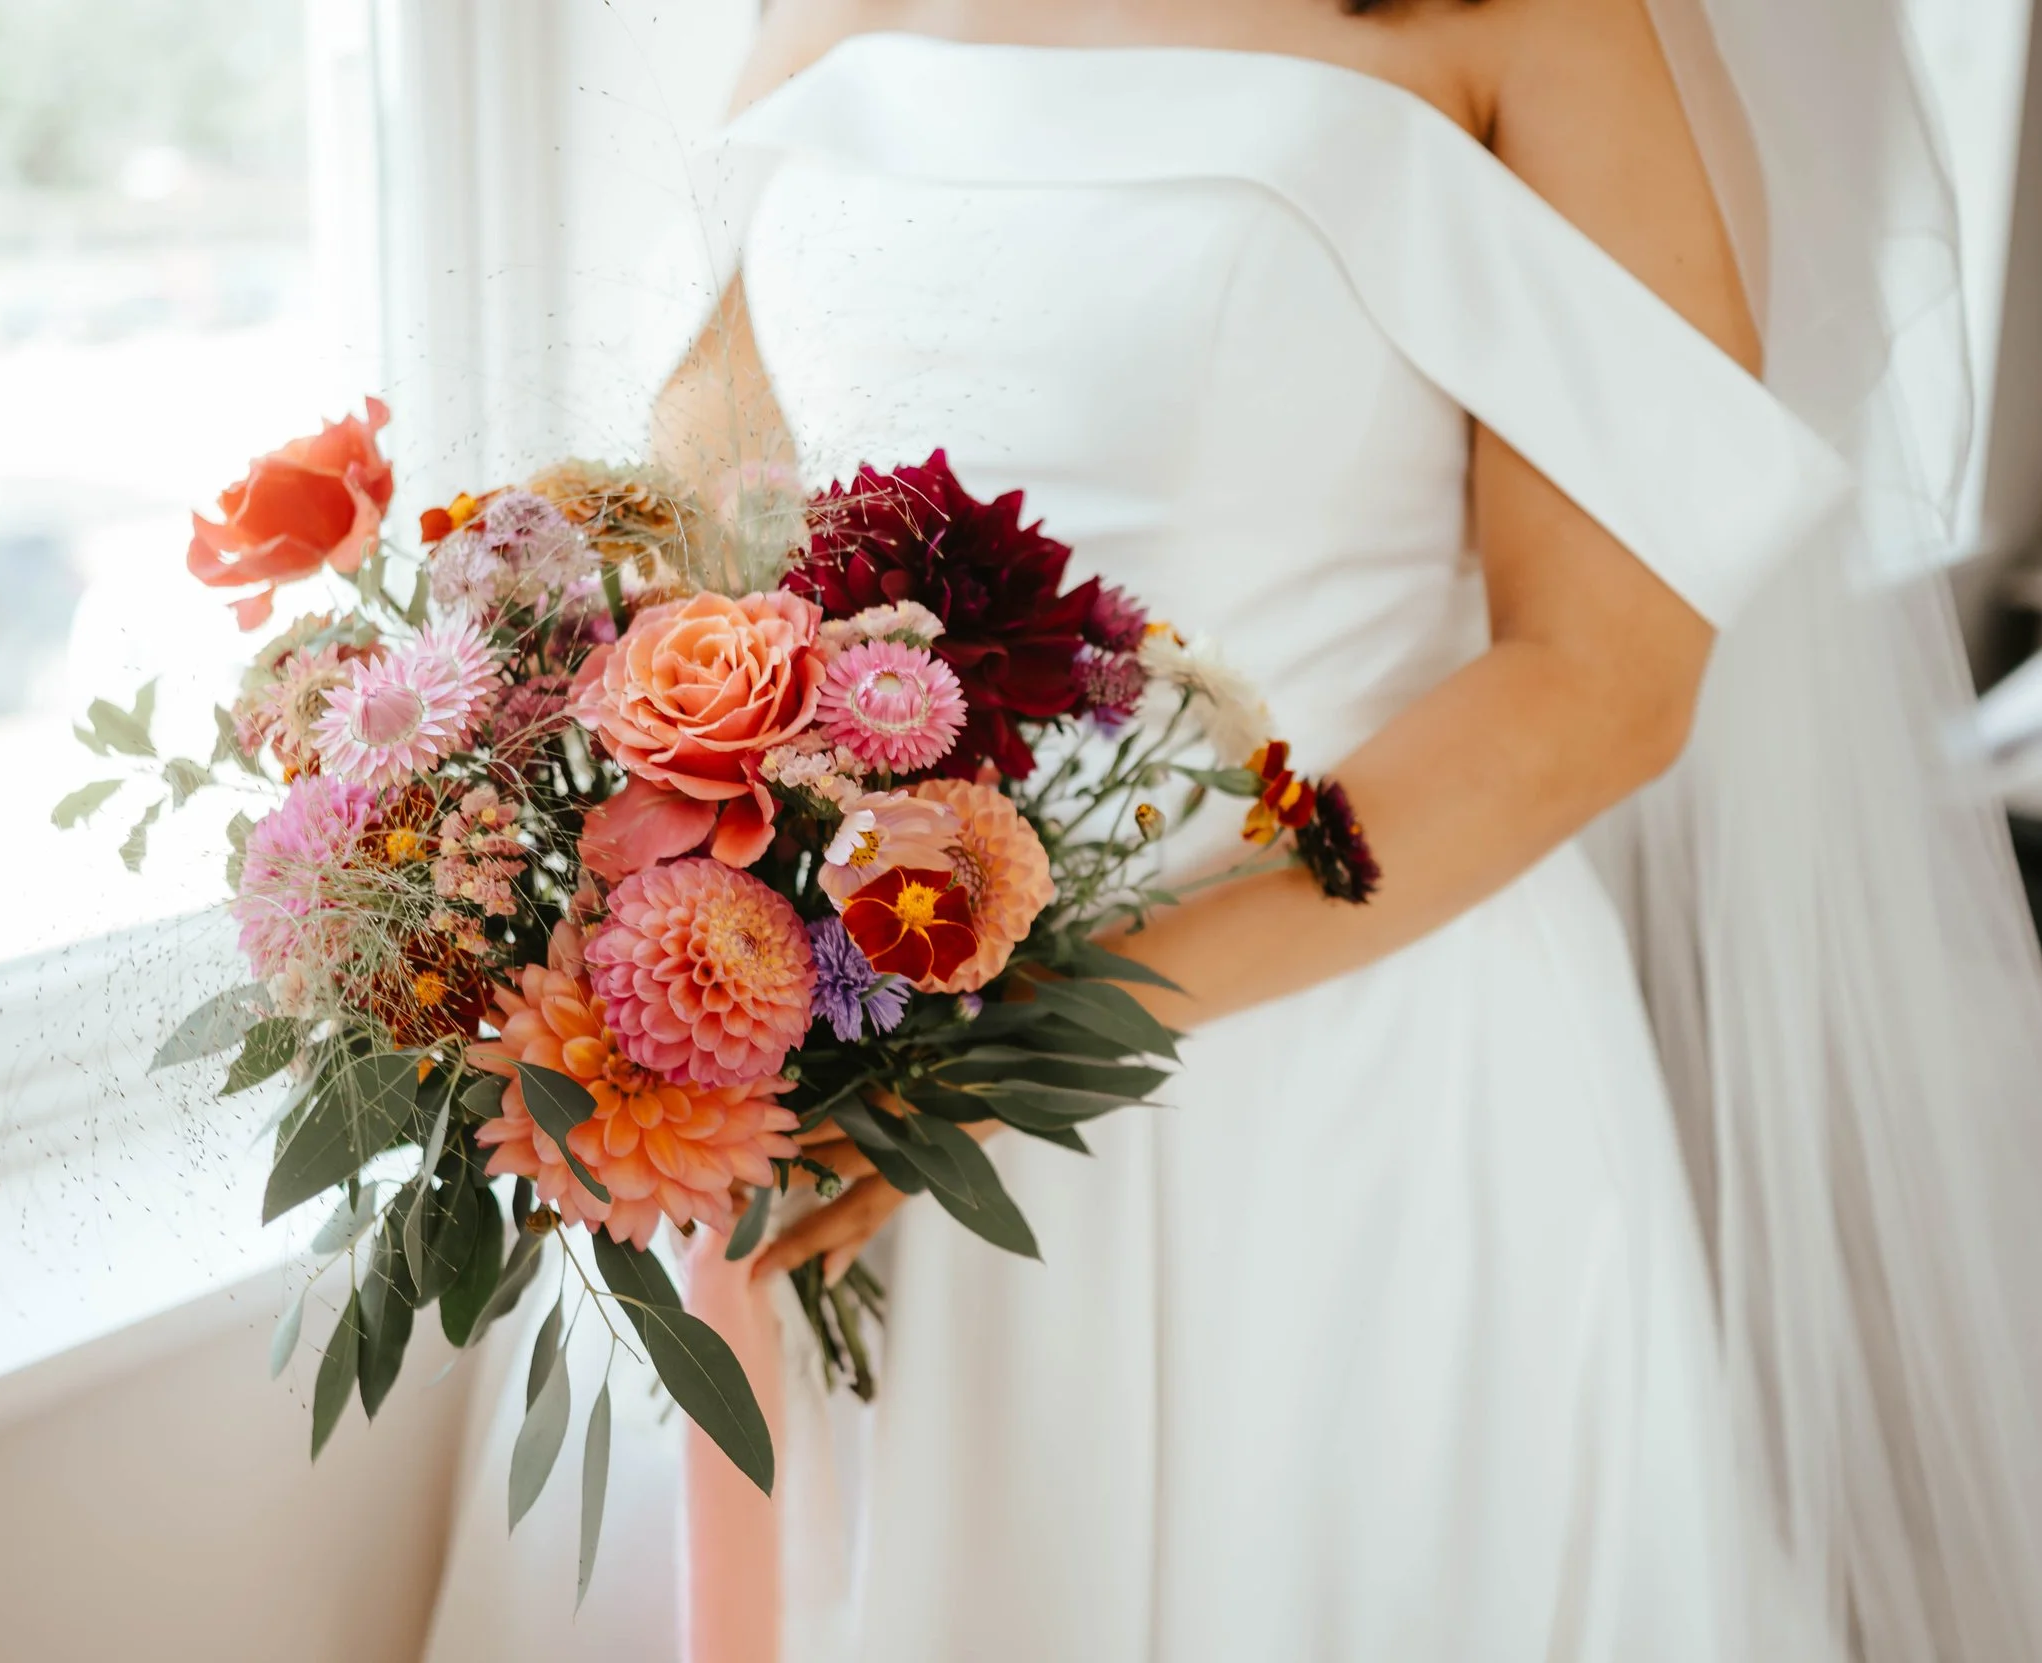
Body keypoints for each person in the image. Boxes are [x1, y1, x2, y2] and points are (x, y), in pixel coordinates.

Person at [422, 3, 2042, 1658]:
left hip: (1336, 1080)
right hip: (865, 1032)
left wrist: (1022, 1045)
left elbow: (1606, 677)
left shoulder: (1537, 23)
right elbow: (718, 522)